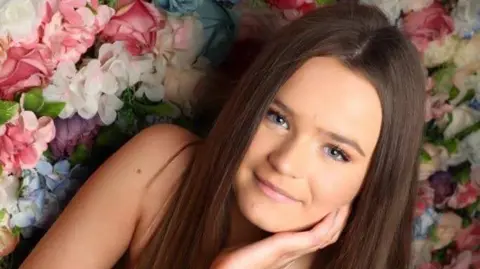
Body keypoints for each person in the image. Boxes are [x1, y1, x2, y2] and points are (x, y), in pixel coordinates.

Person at [20, 3, 426, 269]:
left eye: (336, 152)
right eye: (277, 118)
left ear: (375, 179)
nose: (286, 163)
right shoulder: (163, 166)